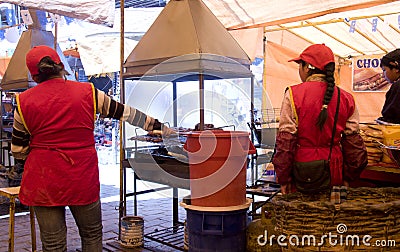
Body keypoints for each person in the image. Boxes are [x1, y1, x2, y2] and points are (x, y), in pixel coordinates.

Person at [11, 45, 174, 251]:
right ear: (62, 67)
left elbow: (18, 149)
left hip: (43, 179)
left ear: (34, 76)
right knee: (91, 235)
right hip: (81, 176)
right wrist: (157, 127)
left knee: (53, 244)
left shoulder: (23, 102)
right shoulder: (88, 92)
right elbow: (126, 113)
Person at [272, 44, 368, 195]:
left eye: (300, 65)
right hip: (334, 168)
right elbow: (354, 143)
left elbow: (286, 141)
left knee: (303, 215)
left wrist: (283, 178)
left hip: (302, 169)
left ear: (307, 67)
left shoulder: (293, 94)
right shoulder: (347, 98)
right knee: (329, 216)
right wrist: (349, 177)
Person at [377, 49, 400, 124]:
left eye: (384, 70)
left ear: (396, 69)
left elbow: (390, 117)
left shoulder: (398, 86)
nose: (383, 74)